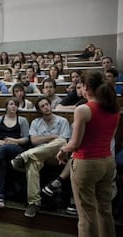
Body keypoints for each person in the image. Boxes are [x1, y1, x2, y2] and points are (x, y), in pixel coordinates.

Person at [56, 72, 119, 237]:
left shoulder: (83, 109)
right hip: (107, 162)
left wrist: (63, 150)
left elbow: (75, 144)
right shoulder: (113, 109)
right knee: (105, 210)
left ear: (87, 88)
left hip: (87, 163)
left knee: (86, 214)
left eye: (82, 86)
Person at [10, 96, 71, 218]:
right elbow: (34, 140)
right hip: (40, 155)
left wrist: (53, 140)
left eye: (47, 104)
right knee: (32, 163)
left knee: (61, 142)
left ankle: (24, 156)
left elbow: (63, 142)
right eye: (42, 106)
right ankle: (34, 202)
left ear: (51, 105)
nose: (46, 107)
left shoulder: (62, 121)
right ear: (39, 110)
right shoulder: (36, 122)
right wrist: (51, 137)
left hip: (57, 156)